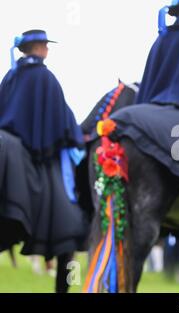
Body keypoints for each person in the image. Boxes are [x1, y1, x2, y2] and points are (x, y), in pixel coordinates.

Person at [0, 30, 88, 292]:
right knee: (68, 228)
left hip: (11, 146)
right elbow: (62, 124)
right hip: (39, 158)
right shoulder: (46, 77)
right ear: (39, 48)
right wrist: (76, 137)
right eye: (46, 46)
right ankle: (64, 286)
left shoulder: (10, 76)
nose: (47, 50)